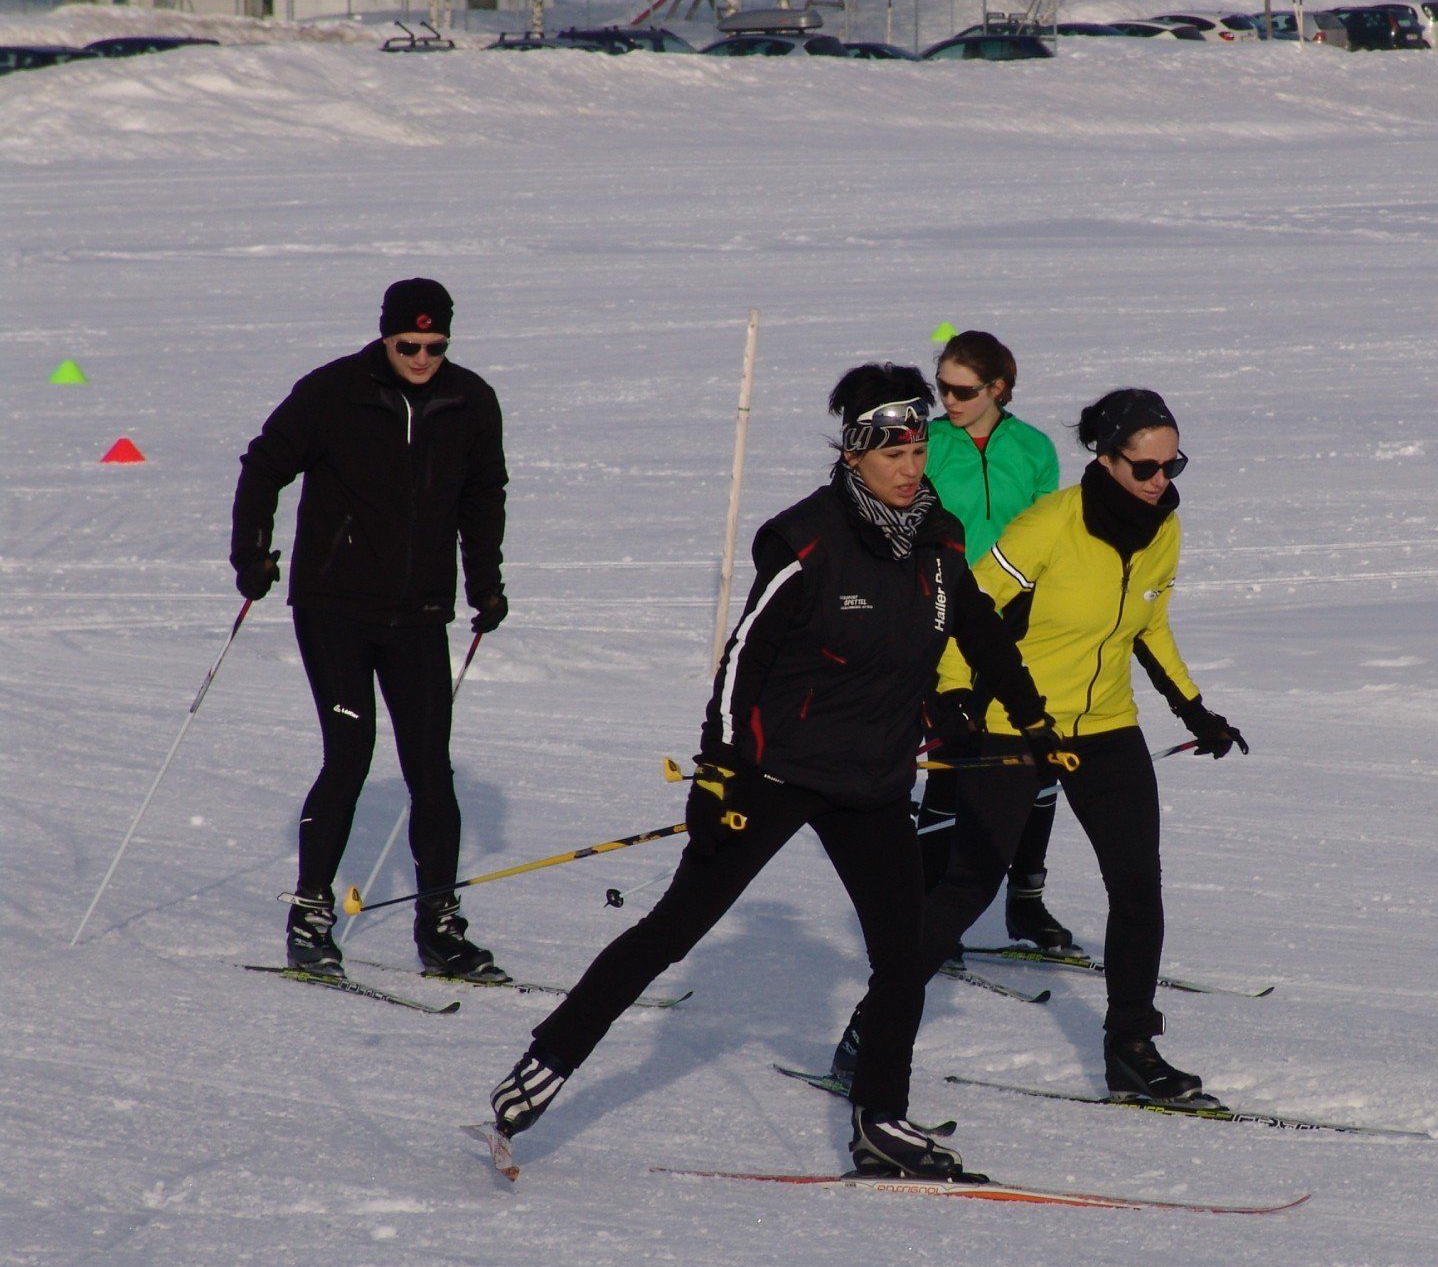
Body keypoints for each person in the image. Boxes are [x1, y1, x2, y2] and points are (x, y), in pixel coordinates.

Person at [487, 364, 1058, 1181]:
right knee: (673, 931)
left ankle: (880, 1121)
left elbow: (980, 632)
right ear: (854, 453)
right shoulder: (808, 540)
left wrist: (1031, 717)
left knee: (904, 957)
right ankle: (542, 1068)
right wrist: (717, 771)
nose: (908, 465)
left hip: (872, 781)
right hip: (774, 771)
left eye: (917, 448)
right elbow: (740, 663)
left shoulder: (937, 539)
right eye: (890, 450)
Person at [839, 388, 1247, 1111]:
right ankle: (872, 1027)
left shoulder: (1163, 528)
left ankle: (1131, 1050)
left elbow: (1149, 626)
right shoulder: (1051, 524)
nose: (1161, 481)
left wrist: (1194, 707)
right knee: (968, 886)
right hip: (1016, 722)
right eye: (1146, 467)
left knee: (1137, 889)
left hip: (1107, 726)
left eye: (1172, 465)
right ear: (1107, 457)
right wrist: (957, 693)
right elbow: (972, 606)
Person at [229, 278, 508, 981]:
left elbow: (484, 496)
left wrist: (486, 583)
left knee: (429, 770)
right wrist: (251, 552)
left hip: (419, 612)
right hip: (335, 606)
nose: (422, 357)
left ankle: (440, 928)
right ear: (385, 335)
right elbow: (264, 466)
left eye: (435, 346)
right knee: (350, 753)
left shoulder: (469, 400)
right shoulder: (334, 391)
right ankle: (311, 915)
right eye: (408, 345)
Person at [917, 329, 1072, 953]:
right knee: (952, 759)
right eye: (942, 389)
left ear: (998, 388)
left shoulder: (1033, 447)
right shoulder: (927, 445)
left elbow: (1052, 534)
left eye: (962, 390)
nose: (948, 401)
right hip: (944, 617)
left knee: (1036, 758)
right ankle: (931, 911)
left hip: (1017, 626)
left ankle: (1026, 902)